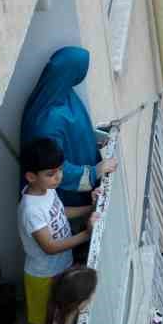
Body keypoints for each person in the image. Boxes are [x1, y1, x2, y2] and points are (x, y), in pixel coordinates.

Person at [20, 47, 118, 206]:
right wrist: (94, 172)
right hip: (69, 196)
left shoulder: (62, 92)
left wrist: (97, 136)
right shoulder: (47, 121)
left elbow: (75, 129)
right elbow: (51, 166)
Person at [18, 138, 97, 324]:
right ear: (31, 177)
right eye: (51, 174)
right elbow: (50, 246)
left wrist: (90, 208)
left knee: (59, 317)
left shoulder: (47, 190)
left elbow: (61, 212)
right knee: (45, 322)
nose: (59, 177)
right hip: (44, 275)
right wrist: (87, 234)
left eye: (60, 170)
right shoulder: (31, 210)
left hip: (62, 267)